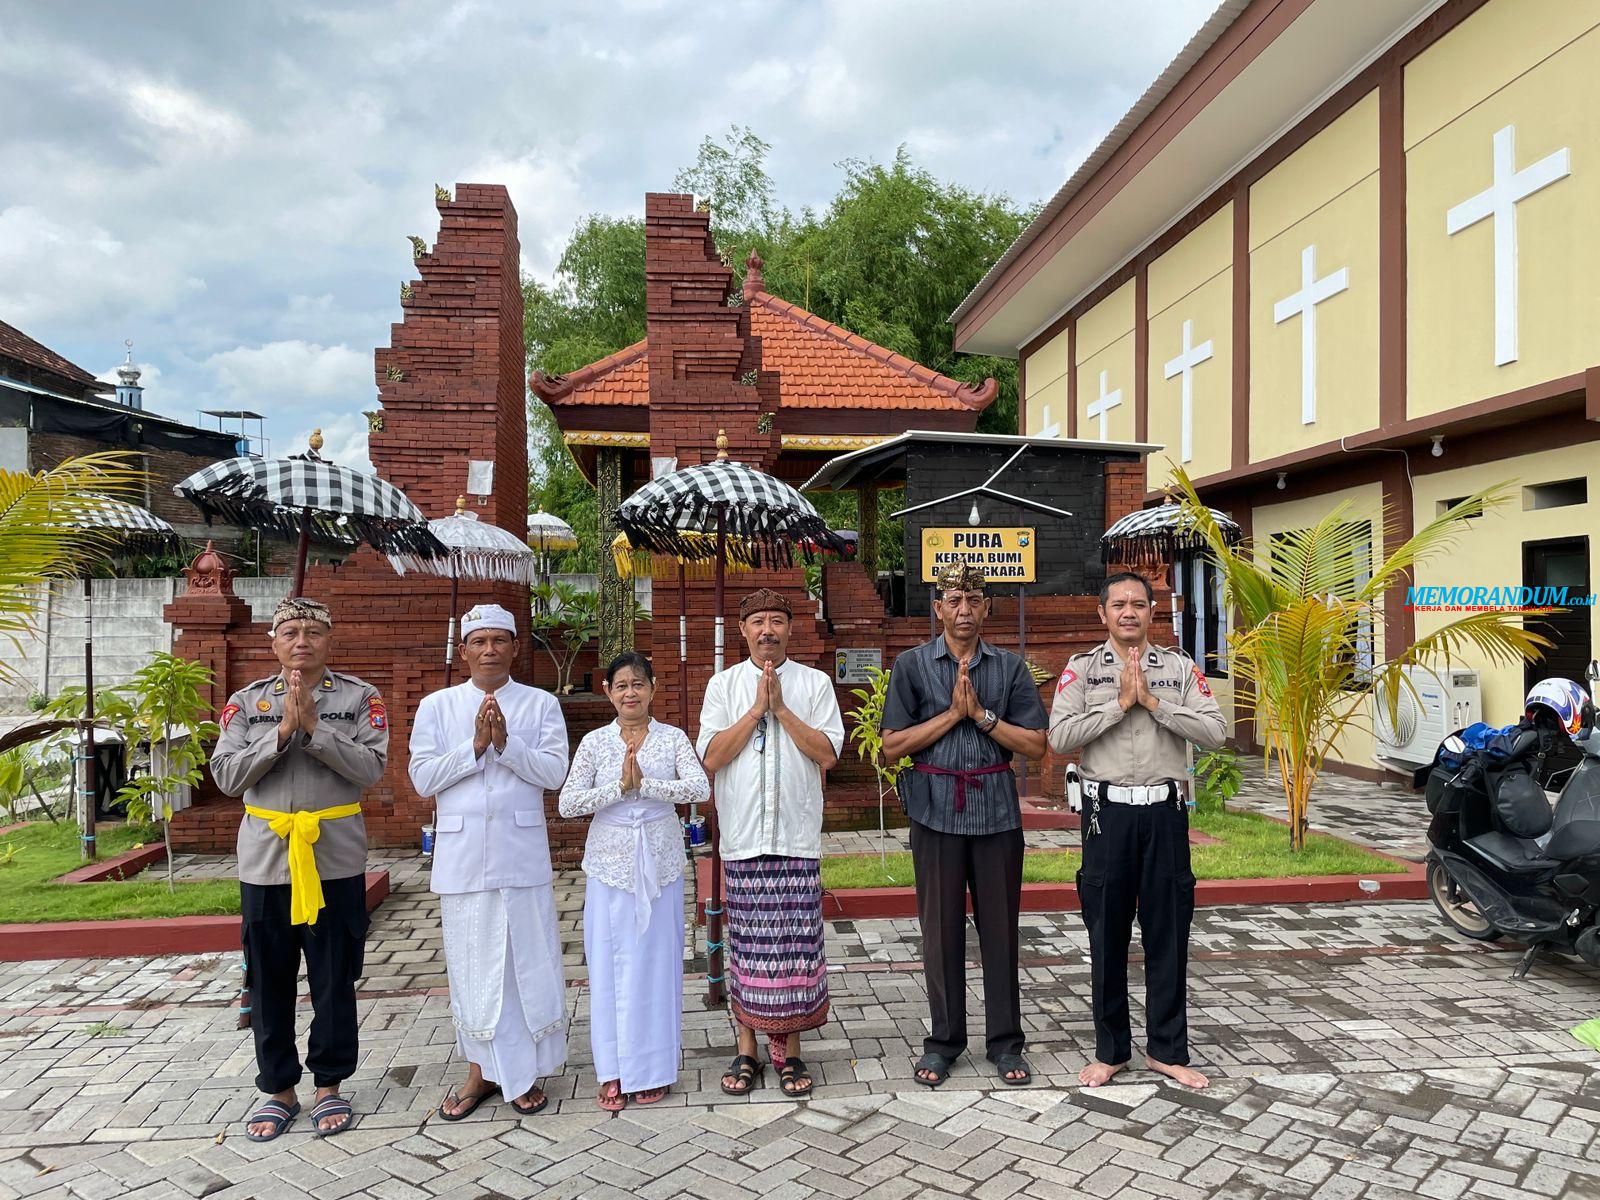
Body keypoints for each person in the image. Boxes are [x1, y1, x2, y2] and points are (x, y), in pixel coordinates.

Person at [212, 597, 387, 1141]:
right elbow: (226, 776)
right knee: (269, 980)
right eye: (290, 631)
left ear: (330, 640)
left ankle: (329, 1085)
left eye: (313, 631)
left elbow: (371, 767)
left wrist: (315, 729)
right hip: (267, 861)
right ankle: (278, 1089)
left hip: (332, 857)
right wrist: (282, 732)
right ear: (274, 642)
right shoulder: (247, 702)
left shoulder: (361, 698)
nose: (302, 640)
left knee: (334, 976)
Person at [1049, 571, 1226, 1091]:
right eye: (1118, 604)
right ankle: (1111, 1051)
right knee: (1106, 933)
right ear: (1101, 613)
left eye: (1138, 604)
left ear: (1153, 612)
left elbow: (1215, 732)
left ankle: (1167, 1050)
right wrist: (1119, 705)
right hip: (1108, 815)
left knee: (1168, 932)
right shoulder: (1081, 670)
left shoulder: (1178, 668)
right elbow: (1059, 736)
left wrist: (1152, 703)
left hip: (1165, 813)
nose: (1129, 612)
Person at [880, 563, 1048, 1088]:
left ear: (987, 608)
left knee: (1000, 930)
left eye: (974, 600)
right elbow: (891, 745)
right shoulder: (912, 666)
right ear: (938, 608)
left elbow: (1037, 745)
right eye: (954, 600)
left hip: (996, 812)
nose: (964, 610)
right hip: (933, 810)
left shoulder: (1010, 669)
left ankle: (1005, 1043)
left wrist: (982, 717)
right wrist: (953, 715)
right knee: (941, 932)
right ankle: (944, 1042)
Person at [408, 604, 570, 1119]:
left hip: (521, 856)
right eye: (479, 642)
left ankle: (521, 1075)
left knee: (524, 962)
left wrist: (507, 743)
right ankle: (479, 1072)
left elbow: (554, 773)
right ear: (463, 651)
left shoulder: (541, 703)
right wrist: (474, 747)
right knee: (473, 967)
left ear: (515, 648)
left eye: (500, 640)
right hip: (462, 860)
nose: (489, 650)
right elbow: (422, 780)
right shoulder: (437, 706)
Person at [698, 588, 844, 1099]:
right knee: (749, 950)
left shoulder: (815, 683)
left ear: (790, 628)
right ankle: (747, 1049)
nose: (767, 631)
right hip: (742, 838)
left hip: (796, 837)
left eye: (776, 621)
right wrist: (755, 710)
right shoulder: (723, 685)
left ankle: (794, 1052)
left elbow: (827, 754)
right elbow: (712, 757)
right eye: (757, 621)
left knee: (794, 950)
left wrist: (781, 708)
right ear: (743, 631)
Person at [559, 651, 709, 1111]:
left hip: (660, 867)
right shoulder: (594, 744)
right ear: (607, 691)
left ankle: (653, 1069)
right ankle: (614, 1071)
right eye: (621, 685)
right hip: (609, 869)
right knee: (608, 968)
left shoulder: (673, 738)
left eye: (638, 684)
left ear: (653, 688)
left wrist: (647, 786)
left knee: (657, 966)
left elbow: (700, 788)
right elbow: (568, 803)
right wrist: (618, 790)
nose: (630, 693)